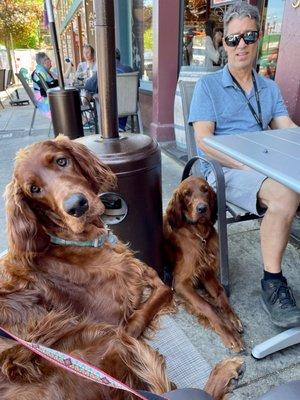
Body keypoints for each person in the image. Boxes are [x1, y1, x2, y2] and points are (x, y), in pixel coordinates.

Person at [189, 1, 300, 328]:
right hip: (225, 170)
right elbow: (204, 141)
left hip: (267, 165)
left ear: (258, 40)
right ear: (223, 43)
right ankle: (272, 283)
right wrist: (247, 166)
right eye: (234, 39)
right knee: (286, 195)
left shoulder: (269, 87)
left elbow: (286, 127)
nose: (241, 45)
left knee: (287, 188)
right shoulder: (208, 86)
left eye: (248, 37)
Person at [84, 48, 134, 131]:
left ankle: (107, 127)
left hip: (111, 107)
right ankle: (120, 126)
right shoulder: (130, 69)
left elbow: (88, 85)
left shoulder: (104, 71)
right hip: (129, 105)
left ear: (106, 58)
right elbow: (137, 85)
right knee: (123, 96)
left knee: (95, 95)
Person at [31, 52, 59, 119]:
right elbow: (48, 87)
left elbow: (58, 80)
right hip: (45, 100)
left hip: (44, 97)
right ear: (44, 62)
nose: (50, 60)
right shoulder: (41, 72)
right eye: (48, 59)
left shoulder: (43, 70)